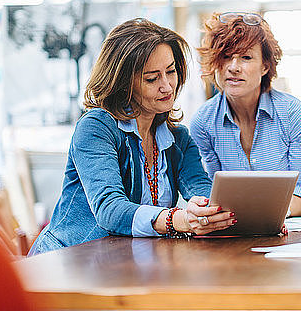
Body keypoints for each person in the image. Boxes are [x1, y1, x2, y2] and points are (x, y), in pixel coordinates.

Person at [29, 18, 235, 256]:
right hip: (65, 262)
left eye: (171, 72)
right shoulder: (96, 127)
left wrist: (214, 213)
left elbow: (201, 191)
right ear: (124, 83)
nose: (167, 86)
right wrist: (176, 219)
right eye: (152, 78)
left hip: (122, 264)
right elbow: (110, 209)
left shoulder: (178, 138)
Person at [190, 12, 301, 217]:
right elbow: (213, 192)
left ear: (265, 66)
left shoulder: (293, 114)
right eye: (226, 57)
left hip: (294, 227)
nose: (233, 68)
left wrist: (268, 214)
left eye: (246, 57)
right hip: (233, 229)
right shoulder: (203, 122)